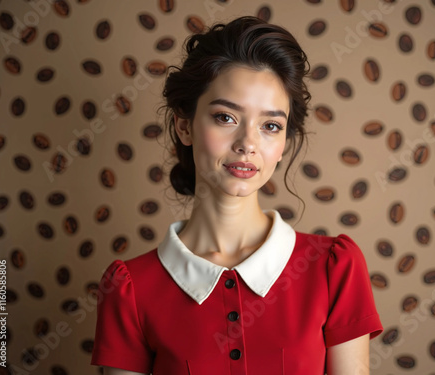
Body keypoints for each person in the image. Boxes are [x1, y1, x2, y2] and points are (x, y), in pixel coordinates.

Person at [91, 15, 383, 375]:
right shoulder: (129, 289)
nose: (248, 144)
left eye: (270, 126)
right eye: (226, 118)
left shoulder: (334, 269)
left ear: (282, 145)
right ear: (185, 126)